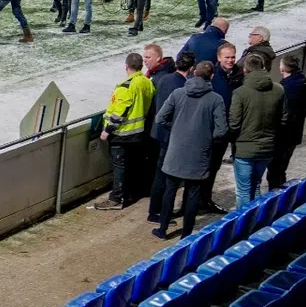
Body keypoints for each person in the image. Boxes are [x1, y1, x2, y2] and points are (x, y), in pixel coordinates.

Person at [152, 61, 227, 239]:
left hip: (175, 151)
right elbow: (222, 130)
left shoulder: (178, 93)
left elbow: (160, 118)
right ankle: (186, 234)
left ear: (194, 73)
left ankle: (163, 229)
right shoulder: (215, 99)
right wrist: (206, 139)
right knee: (192, 195)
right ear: (212, 76)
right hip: (199, 155)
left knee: (169, 191)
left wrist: (175, 128)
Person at [96, 53, 155, 210]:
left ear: (126, 66)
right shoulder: (147, 82)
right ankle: (130, 193)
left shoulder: (126, 86)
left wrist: (107, 130)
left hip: (122, 134)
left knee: (119, 166)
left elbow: (120, 112)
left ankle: (116, 198)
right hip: (139, 132)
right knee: (132, 163)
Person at [228, 53, 283, 207]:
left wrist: (233, 140)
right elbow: (284, 119)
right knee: (256, 185)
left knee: (243, 191)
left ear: (245, 70)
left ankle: (243, 228)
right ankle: (257, 221)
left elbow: (234, 123)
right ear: (263, 67)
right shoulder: (279, 90)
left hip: (244, 149)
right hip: (267, 147)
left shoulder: (240, 93)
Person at [147, 49, 192, 224]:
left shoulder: (164, 79)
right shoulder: (182, 86)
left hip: (157, 132)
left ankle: (155, 209)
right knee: (165, 175)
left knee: (159, 173)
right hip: (171, 136)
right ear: (191, 67)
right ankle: (158, 211)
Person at [268, 56, 306, 190]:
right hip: (294, 134)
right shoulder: (302, 84)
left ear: (282, 69)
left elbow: (283, 115)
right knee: (281, 168)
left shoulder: (284, 89)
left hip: (283, 136)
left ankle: (277, 198)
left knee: (275, 171)